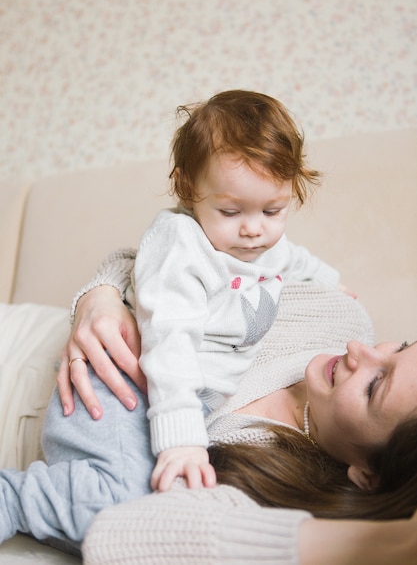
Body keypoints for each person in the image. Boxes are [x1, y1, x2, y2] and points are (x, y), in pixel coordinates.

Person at [59, 273, 417, 565]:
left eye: (374, 386)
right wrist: (101, 295)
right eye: (399, 348)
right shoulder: (335, 316)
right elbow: (174, 258)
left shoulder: (275, 493)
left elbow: (116, 536)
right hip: (31, 337)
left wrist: (392, 544)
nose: (358, 350)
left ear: (368, 476)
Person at [111, 89, 343, 491]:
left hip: (194, 401)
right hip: (131, 387)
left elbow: (299, 262)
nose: (254, 229)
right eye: (231, 212)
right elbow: (169, 342)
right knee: (112, 493)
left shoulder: (268, 247)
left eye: (273, 210)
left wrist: (336, 286)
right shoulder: (181, 244)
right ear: (187, 189)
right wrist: (181, 440)